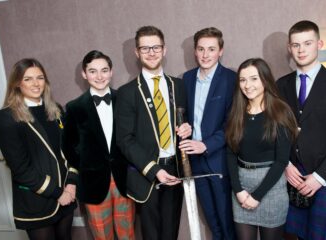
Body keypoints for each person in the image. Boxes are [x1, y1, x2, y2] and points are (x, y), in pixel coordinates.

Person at [277, 20, 326, 240]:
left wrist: (320, 177)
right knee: (292, 236)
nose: (301, 50)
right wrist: (285, 164)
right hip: (290, 178)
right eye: (296, 45)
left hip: (323, 178)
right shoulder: (280, 85)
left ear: (319, 44)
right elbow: (276, 131)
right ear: (289, 48)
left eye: (307, 43)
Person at [115, 26, 191, 240]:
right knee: (152, 235)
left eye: (156, 47)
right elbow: (125, 139)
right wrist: (154, 169)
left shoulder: (179, 86)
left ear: (164, 50)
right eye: (145, 48)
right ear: (136, 53)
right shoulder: (127, 92)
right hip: (146, 174)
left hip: (175, 170)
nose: (151, 52)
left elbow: (185, 122)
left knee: (170, 232)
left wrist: (188, 128)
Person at [0, 58, 77, 240]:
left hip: (67, 195)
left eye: (40, 78)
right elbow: (20, 169)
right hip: (37, 201)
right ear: (17, 83)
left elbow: (71, 150)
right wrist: (57, 193)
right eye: (28, 79)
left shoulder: (56, 110)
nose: (35, 83)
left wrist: (71, 182)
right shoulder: (7, 117)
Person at [62, 50, 135, 240]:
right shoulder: (74, 107)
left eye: (104, 70)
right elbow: (68, 147)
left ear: (111, 72)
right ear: (84, 74)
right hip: (92, 182)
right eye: (93, 71)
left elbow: (135, 137)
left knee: (128, 233)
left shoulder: (126, 99)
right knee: (102, 235)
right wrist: (87, 166)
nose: (99, 76)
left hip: (124, 179)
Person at [226, 58, 298, 240]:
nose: (247, 85)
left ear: (265, 80)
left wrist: (257, 196)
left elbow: (282, 161)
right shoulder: (237, 111)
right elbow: (230, 153)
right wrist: (238, 191)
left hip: (271, 187)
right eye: (242, 80)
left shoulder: (280, 111)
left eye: (253, 79)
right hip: (241, 187)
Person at [180, 27, 236, 240]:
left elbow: (233, 123)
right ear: (195, 51)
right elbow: (186, 116)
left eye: (211, 49)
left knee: (226, 221)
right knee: (212, 221)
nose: (205, 55)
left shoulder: (231, 79)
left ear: (220, 51)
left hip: (219, 159)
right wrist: (185, 126)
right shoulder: (187, 78)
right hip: (194, 162)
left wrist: (207, 144)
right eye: (201, 49)